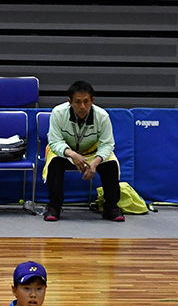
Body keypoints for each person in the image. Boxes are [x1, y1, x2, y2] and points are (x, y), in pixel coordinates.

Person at [43, 80, 123, 222]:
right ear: (70, 102)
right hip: (66, 151)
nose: (82, 107)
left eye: (86, 102)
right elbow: (54, 141)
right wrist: (72, 154)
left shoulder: (102, 116)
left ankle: (111, 207)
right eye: (77, 102)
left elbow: (107, 144)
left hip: (92, 152)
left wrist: (96, 162)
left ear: (92, 101)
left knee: (111, 164)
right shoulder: (58, 113)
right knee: (54, 162)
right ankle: (54, 206)